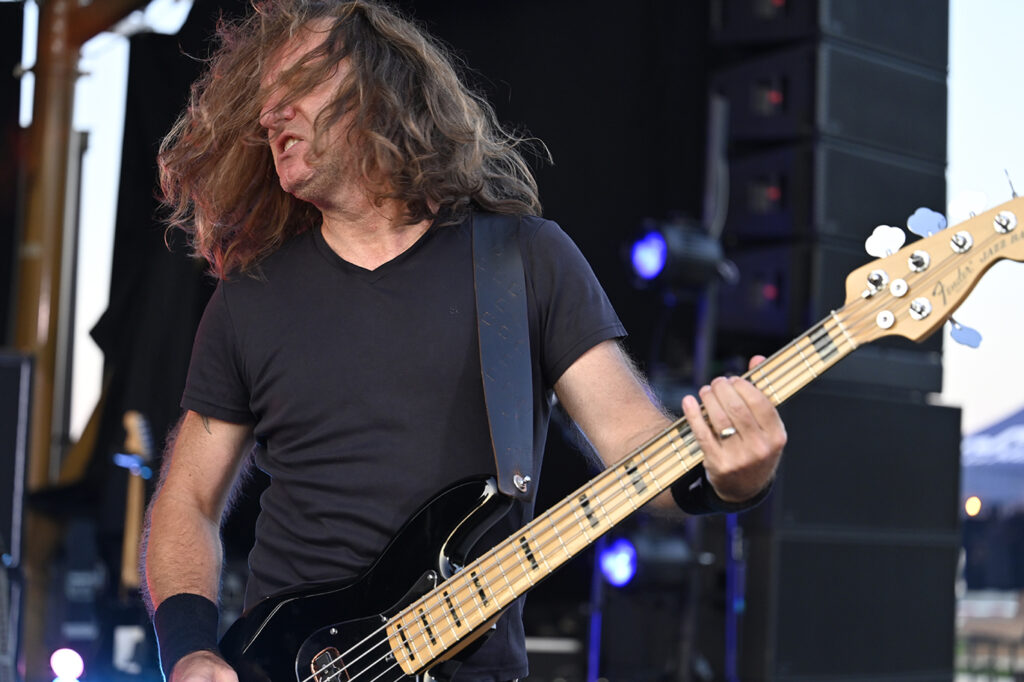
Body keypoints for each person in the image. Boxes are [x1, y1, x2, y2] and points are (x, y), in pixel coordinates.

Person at [142, 2, 787, 681]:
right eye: (266, 100)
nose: (272, 115)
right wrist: (189, 651)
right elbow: (188, 500)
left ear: (379, 88)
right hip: (292, 664)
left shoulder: (522, 261)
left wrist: (731, 478)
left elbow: (634, 445)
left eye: (298, 84)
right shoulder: (250, 298)